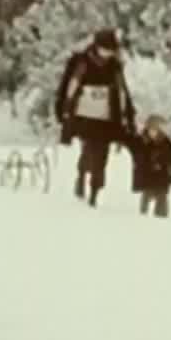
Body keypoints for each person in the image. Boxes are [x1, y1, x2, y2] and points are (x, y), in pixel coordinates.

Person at [54, 28, 136, 207]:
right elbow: (66, 86)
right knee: (89, 149)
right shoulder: (79, 62)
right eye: (106, 49)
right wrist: (61, 111)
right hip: (83, 115)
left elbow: (122, 92)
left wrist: (129, 116)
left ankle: (94, 192)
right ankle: (82, 176)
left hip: (106, 117)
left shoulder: (114, 66)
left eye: (111, 50)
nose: (108, 54)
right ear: (97, 47)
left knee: (102, 155)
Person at [130, 115, 171, 218]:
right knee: (146, 196)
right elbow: (138, 156)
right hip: (147, 175)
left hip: (162, 176)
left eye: (156, 129)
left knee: (161, 198)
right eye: (151, 128)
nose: (154, 132)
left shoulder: (167, 143)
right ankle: (142, 217)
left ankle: (161, 218)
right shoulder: (141, 141)